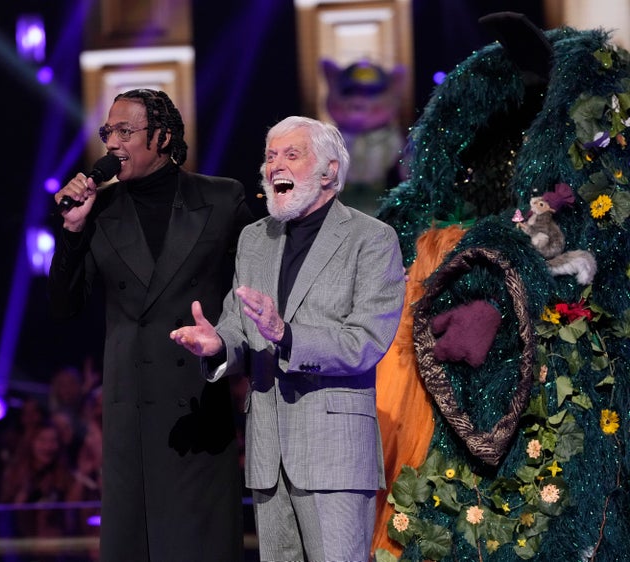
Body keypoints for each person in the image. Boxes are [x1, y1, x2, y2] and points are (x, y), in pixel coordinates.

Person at [171, 115, 405, 562]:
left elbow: (367, 341)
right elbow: (240, 325)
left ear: (330, 171)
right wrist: (218, 345)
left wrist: (288, 335)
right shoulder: (254, 239)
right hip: (267, 454)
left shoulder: (371, 239)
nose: (275, 165)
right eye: (270, 155)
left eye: (291, 154)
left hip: (334, 454)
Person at [48, 89, 253, 561]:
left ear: (161, 137)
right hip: (129, 414)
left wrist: (230, 342)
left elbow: (260, 284)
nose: (112, 142)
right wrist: (73, 233)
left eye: (125, 131)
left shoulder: (221, 200)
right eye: (107, 132)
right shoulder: (99, 211)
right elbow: (63, 309)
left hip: (196, 405)